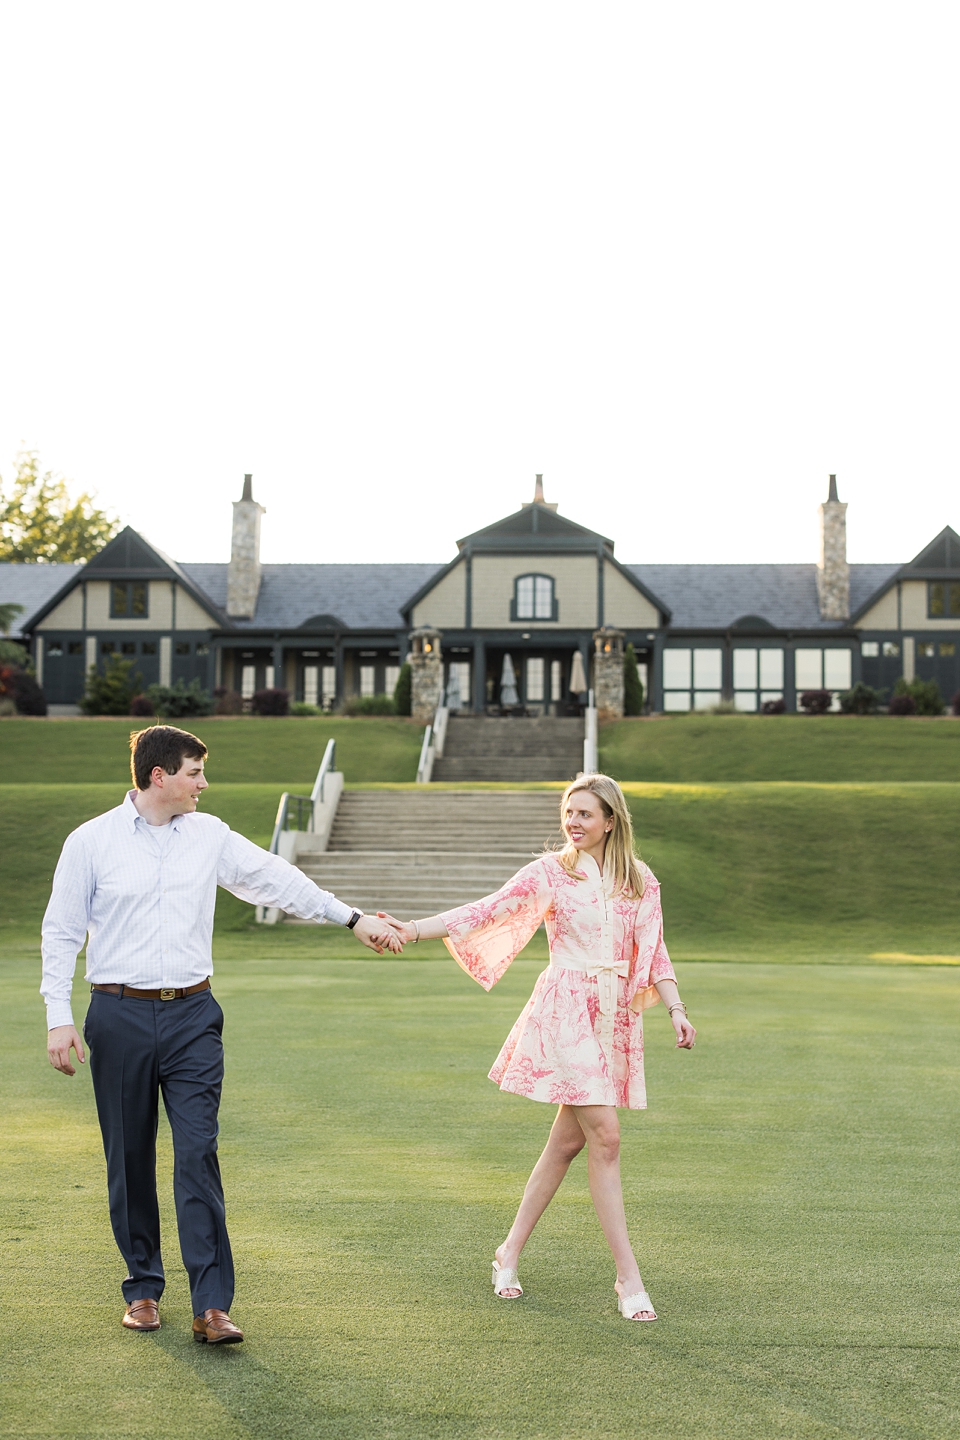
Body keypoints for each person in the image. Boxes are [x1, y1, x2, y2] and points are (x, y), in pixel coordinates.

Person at [42, 724, 399, 1343]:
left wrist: (352, 918)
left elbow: (275, 879)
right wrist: (58, 1014)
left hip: (192, 1017)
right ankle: (143, 1290)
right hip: (117, 1013)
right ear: (160, 777)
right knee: (128, 1158)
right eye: (194, 773)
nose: (203, 784)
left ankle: (211, 1304)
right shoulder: (90, 842)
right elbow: (61, 930)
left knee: (198, 1151)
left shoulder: (210, 836)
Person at [379, 773, 695, 1322]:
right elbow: (486, 910)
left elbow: (656, 949)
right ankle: (628, 1278)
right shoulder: (549, 872)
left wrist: (676, 1008)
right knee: (608, 1136)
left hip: (615, 1015)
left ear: (611, 821)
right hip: (566, 1009)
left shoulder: (641, 880)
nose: (573, 823)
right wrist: (411, 928)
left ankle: (508, 1252)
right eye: (568, 813)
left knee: (565, 1146)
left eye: (585, 814)